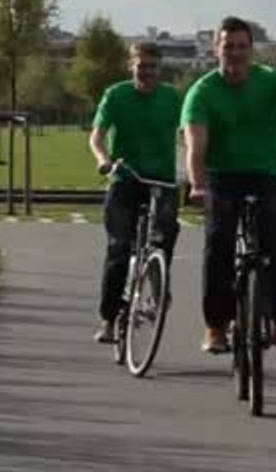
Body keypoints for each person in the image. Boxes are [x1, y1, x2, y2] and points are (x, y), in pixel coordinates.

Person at [183, 16, 276, 353]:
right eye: (228, 47)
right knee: (218, 245)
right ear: (216, 50)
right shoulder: (202, 92)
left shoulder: (270, 82)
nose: (235, 53)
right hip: (222, 177)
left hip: (266, 175)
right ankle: (216, 325)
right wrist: (198, 186)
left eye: (241, 47)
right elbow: (196, 148)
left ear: (251, 50)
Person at [88, 42, 183, 344]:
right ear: (131, 66)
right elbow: (97, 135)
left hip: (163, 181)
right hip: (126, 177)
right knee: (118, 249)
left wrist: (196, 166)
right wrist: (103, 160)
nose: (147, 72)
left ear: (160, 69)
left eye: (153, 67)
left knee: (164, 235)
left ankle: (159, 279)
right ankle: (109, 318)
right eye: (141, 66)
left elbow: (188, 133)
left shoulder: (171, 98)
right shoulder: (116, 95)